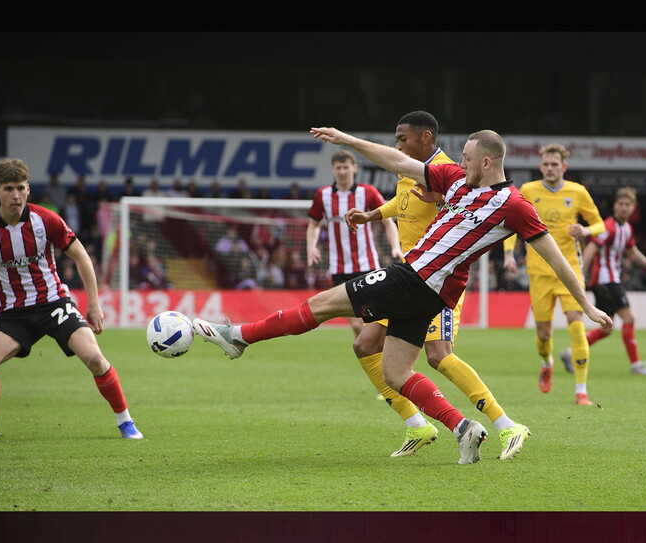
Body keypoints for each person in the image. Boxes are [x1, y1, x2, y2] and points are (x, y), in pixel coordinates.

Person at [192, 128, 613, 464]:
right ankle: (463, 429)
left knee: (321, 306)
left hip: (414, 279)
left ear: (486, 161)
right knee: (395, 372)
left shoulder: (514, 205)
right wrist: (349, 140)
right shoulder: (455, 181)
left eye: (465, 158)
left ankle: (240, 337)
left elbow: (555, 256)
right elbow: (399, 161)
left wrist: (587, 303)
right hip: (427, 293)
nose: (457, 163)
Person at [343, 111, 530, 460]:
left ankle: (507, 424)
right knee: (366, 344)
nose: (398, 145)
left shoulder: (452, 171)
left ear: (424, 138)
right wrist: (375, 215)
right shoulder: (410, 167)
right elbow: (405, 203)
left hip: (436, 280)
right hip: (406, 276)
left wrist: (441, 199)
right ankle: (417, 424)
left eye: (402, 139)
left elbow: (470, 212)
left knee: (438, 356)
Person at [0, 158, 144, 441]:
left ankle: (125, 421)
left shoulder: (46, 220)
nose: (15, 195)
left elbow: (81, 256)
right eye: (8, 189)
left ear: (28, 188)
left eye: (20, 188)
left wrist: (94, 304)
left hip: (55, 304)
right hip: (14, 313)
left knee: (94, 357)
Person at [502, 143, 606, 405]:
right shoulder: (528, 191)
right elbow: (511, 225)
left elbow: (599, 224)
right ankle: (547, 362)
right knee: (544, 334)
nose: (550, 168)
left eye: (554, 165)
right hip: (538, 272)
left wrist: (585, 231)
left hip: (571, 271)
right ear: (541, 167)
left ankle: (581, 390)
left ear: (564, 167)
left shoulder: (578, 192)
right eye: (546, 165)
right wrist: (508, 255)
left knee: (576, 325)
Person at [559, 186, 646, 375]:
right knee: (629, 318)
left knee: (607, 328)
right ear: (615, 206)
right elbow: (592, 248)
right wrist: (580, 277)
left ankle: (570, 353)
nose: (624, 207)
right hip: (605, 281)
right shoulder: (608, 226)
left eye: (628, 204)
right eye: (621, 204)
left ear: (634, 207)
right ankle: (636, 365)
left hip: (610, 281)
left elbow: (632, 252)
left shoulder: (627, 228)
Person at [306, 150, 402, 337]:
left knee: (374, 323)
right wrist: (311, 247)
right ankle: (375, 362)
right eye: (338, 167)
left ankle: (384, 361)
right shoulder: (323, 195)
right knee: (358, 326)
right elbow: (314, 224)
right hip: (339, 268)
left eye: (346, 167)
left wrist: (395, 247)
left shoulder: (367, 192)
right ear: (333, 169)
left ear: (354, 168)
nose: (342, 171)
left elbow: (388, 222)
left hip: (367, 265)